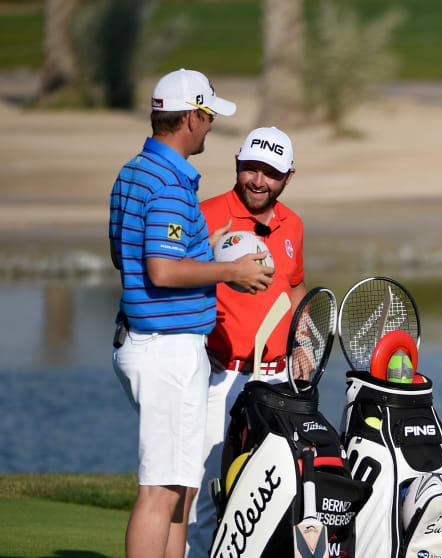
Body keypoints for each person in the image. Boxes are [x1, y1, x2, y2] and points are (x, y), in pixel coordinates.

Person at [109, 69, 274, 558]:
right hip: (167, 351)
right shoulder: (169, 182)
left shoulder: (133, 171)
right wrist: (231, 271)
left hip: (150, 343)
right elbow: (160, 269)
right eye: (207, 117)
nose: (209, 127)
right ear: (192, 118)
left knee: (181, 487)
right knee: (161, 490)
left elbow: (125, 256)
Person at [185, 126, 308, 557]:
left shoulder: (294, 224)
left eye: (270, 173)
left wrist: (304, 338)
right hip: (218, 376)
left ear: (288, 176)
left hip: (276, 384)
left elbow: (293, 288)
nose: (257, 180)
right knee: (201, 495)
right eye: (250, 168)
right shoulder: (204, 214)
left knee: (271, 498)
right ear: (237, 163)